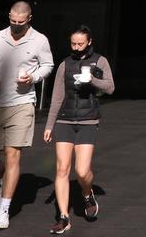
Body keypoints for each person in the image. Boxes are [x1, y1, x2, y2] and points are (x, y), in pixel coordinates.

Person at [0, 1, 54, 229]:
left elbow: (47, 65)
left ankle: (4, 210)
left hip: (22, 104)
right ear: (9, 16)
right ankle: (3, 181)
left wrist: (33, 78)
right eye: (12, 20)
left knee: (13, 155)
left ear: (29, 19)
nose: (16, 25)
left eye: (20, 22)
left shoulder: (39, 40)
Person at [44, 25, 115, 234]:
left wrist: (91, 80)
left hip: (88, 120)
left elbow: (111, 87)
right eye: (73, 43)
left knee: (82, 171)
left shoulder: (100, 61)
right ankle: (64, 217)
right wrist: (49, 125)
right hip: (64, 120)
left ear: (89, 42)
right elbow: (56, 97)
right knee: (62, 169)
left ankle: (87, 193)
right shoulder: (65, 64)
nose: (76, 47)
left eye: (80, 43)